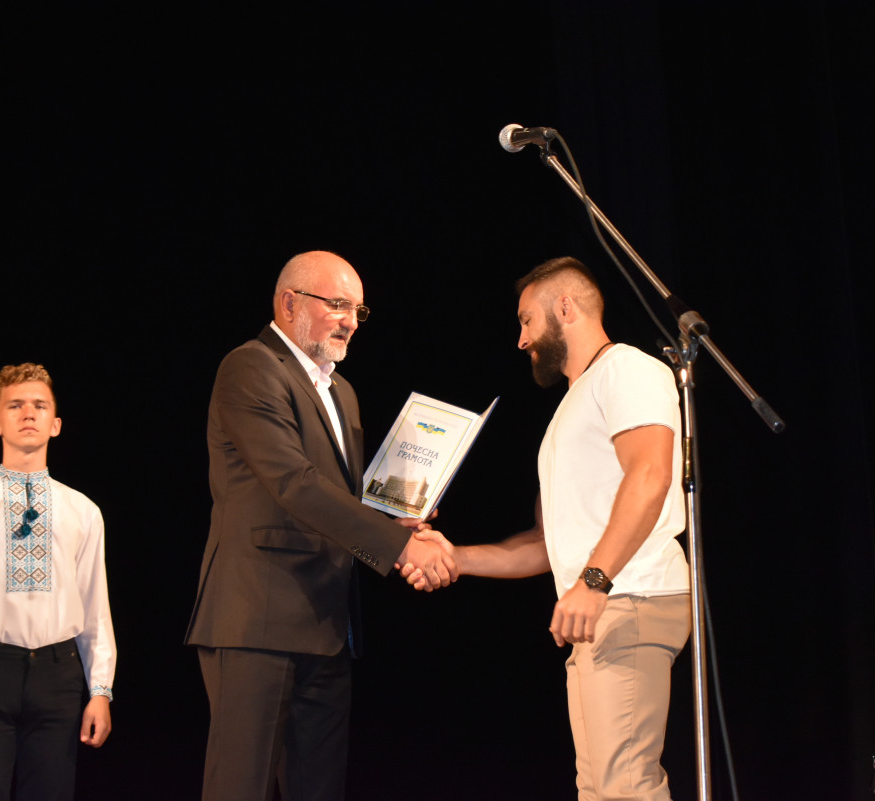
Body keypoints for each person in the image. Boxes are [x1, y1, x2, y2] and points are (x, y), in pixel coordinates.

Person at [404, 256, 691, 801]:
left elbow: (650, 476)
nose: (521, 339)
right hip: (600, 607)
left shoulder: (626, 369)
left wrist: (594, 581)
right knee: (598, 789)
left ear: (565, 307)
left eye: (526, 320)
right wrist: (453, 556)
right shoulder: (569, 409)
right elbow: (544, 544)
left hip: (629, 596)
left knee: (625, 786)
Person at [185, 250, 456, 801]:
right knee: (241, 787)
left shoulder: (341, 392)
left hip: (328, 625)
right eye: (337, 304)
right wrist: (399, 548)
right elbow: (294, 482)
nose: (351, 321)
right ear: (289, 303)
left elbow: (339, 497)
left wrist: (396, 517)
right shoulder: (250, 366)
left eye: (358, 310)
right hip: (257, 621)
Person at [0, 363, 116, 801]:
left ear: (56, 424)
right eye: (15, 405)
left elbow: (95, 607)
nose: (28, 413)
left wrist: (101, 690)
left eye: (39, 405)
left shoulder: (84, 511)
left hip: (58, 676)